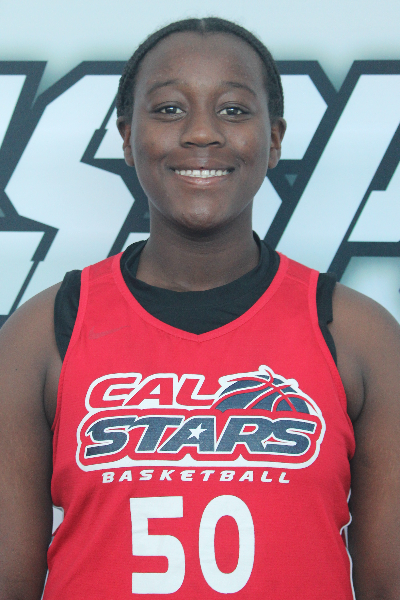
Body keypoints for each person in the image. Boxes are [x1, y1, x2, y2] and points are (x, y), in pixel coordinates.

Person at [0, 16, 399, 600]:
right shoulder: (42, 333)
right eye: (169, 109)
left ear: (275, 139)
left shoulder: (361, 336)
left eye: (234, 110)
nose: (202, 133)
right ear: (127, 137)